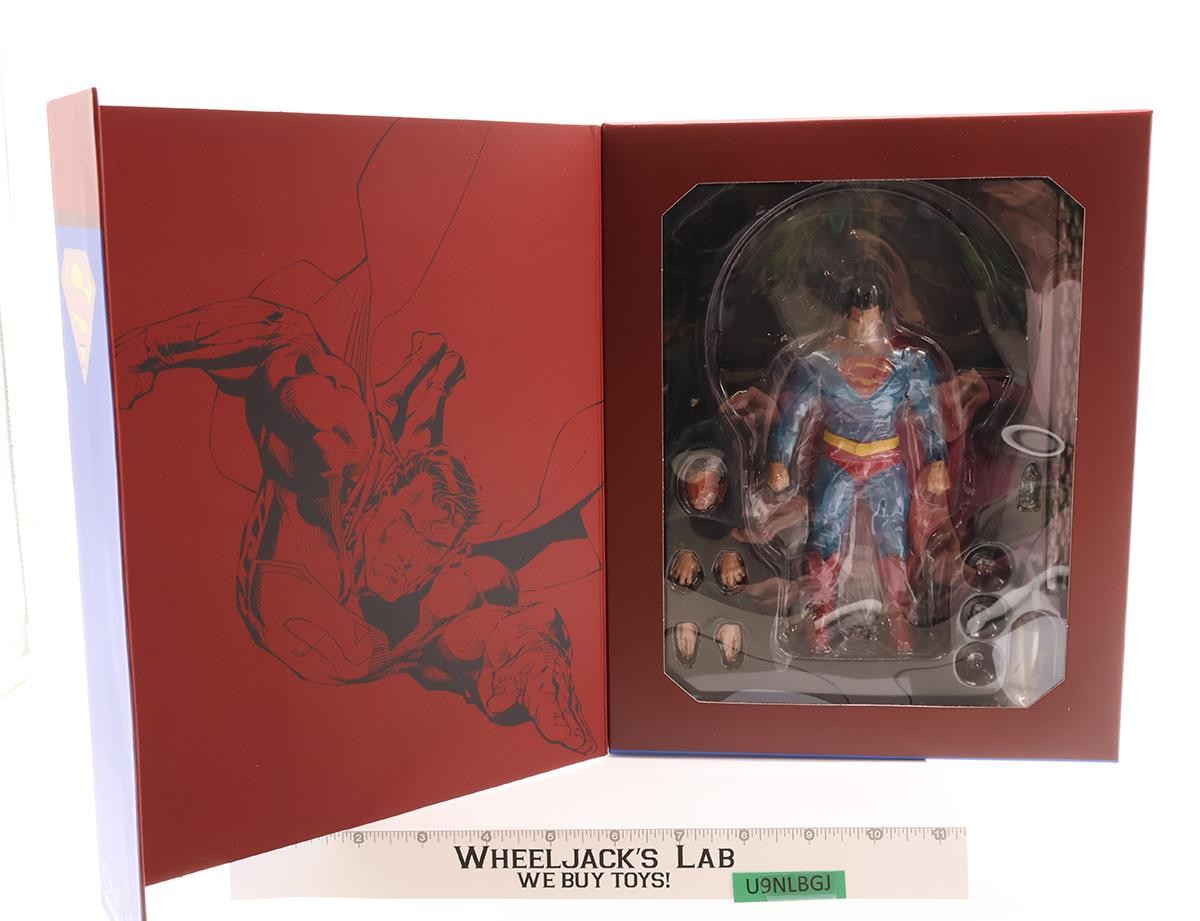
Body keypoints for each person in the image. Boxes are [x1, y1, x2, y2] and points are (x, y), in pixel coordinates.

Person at [766, 283, 948, 655]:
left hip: (886, 461)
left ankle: (897, 615)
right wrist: (778, 459)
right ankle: (821, 613)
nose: (863, 327)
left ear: (882, 318)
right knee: (825, 537)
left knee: (892, 539)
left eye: (870, 319)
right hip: (837, 459)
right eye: (856, 320)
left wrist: (936, 459)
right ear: (846, 319)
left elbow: (929, 415)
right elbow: (793, 416)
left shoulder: (909, 363)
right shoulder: (819, 363)